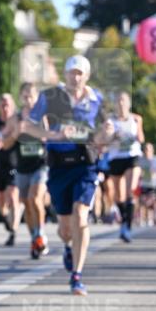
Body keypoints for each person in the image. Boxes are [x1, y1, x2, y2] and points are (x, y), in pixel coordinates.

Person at [22, 55, 107, 296]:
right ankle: (68, 246)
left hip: (85, 164)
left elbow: (105, 128)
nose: (75, 77)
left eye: (80, 73)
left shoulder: (96, 98)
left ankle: (77, 276)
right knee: (65, 229)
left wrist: (105, 134)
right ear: (65, 74)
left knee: (81, 217)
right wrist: (54, 135)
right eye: (71, 72)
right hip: (59, 166)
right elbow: (29, 126)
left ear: (86, 76)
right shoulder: (50, 96)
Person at [2, 82, 49, 258]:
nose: (28, 99)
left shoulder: (42, 116)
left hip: (40, 164)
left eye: (32, 96)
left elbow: (49, 137)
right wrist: (15, 133)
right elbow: (5, 145)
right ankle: (34, 238)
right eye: (25, 96)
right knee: (27, 203)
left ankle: (41, 232)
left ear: (37, 98)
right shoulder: (15, 118)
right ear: (21, 98)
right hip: (22, 167)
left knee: (35, 198)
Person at [105, 91, 145, 242]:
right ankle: (124, 221)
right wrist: (114, 136)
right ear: (115, 104)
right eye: (118, 100)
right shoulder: (110, 120)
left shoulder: (136, 119)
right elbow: (106, 140)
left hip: (132, 156)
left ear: (128, 103)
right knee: (119, 196)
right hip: (116, 157)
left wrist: (135, 131)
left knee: (130, 191)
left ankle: (127, 227)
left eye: (123, 100)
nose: (121, 103)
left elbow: (141, 138)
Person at [0, 94, 21, 246]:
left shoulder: (17, 121)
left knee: (13, 195)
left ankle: (13, 231)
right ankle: (7, 220)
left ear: (12, 106)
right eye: (3, 105)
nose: (5, 107)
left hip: (14, 164)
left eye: (8, 104)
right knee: (0, 201)